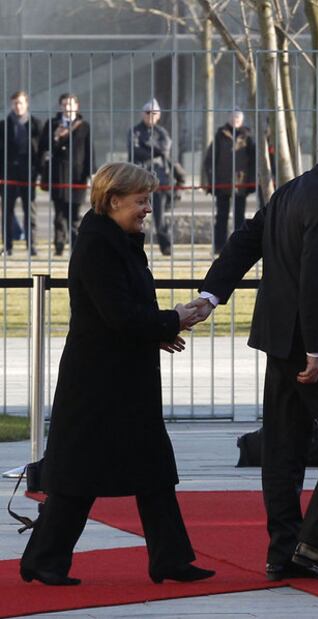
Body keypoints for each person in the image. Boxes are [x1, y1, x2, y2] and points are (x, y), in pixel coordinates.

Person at [190, 115, 318, 581]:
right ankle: (316, 543)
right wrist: (316, 349)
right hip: (311, 342)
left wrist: (212, 294)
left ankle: (285, 551)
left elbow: (244, 241)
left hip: (278, 337)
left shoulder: (293, 189)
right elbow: (315, 281)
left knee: (285, 447)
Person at [20, 162, 215, 587]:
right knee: (78, 477)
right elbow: (117, 315)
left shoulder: (118, 241)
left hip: (125, 376)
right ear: (113, 201)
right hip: (99, 382)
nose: (148, 208)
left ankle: (170, 559)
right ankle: (43, 560)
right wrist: (173, 320)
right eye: (141, 200)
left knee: (154, 472)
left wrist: (159, 330)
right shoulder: (98, 245)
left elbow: (127, 312)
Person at [39, 93, 94, 256]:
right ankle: (59, 244)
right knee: (59, 212)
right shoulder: (52, 124)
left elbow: (89, 150)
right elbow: (43, 147)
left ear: (76, 106)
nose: (67, 107)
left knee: (75, 213)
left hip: (77, 175)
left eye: (70, 104)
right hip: (58, 174)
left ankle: (75, 245)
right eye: (64, 104)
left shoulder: (84, 126)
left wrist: (90, 172)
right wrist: (55, 136)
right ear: (60, 106)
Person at [204, 108, 256, 253]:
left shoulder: (248, 137)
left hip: (241, 183)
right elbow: (210, 160)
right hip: (222, 182)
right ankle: (219, 246)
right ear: (228, 118)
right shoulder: (220, 136)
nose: (235, 120)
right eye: (233, 117)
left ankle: (238, 246)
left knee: (240, 217)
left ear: (242, 120)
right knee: (221, 216)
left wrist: (251, 182)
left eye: (238, 118)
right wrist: (211, 182)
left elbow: (253, 162)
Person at [0, 91, 42, 256]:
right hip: (8, 175)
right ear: (12, 105)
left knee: (30, 211)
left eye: (21, 103)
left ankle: (31, 246)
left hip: (28, 175)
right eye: (15, 103)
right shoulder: (3, 126)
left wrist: (38, 171)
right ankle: (8, 246)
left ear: (27, 104)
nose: (18, 106)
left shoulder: (35, 124)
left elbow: (40, 150)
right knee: (7, 212)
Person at [128, 98, 172, 255]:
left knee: (160, 216)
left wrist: (146, 147)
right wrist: (155, 150)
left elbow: (165, 148)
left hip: (158, 179)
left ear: (158, 115)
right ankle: (132, 246)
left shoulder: (162, 132)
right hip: (138, 179)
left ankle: (165, 246)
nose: (150, 116)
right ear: (142, 114)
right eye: (147, 112)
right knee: (133, 215)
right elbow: (134, 151)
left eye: (154, 113)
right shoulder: (135, 131)